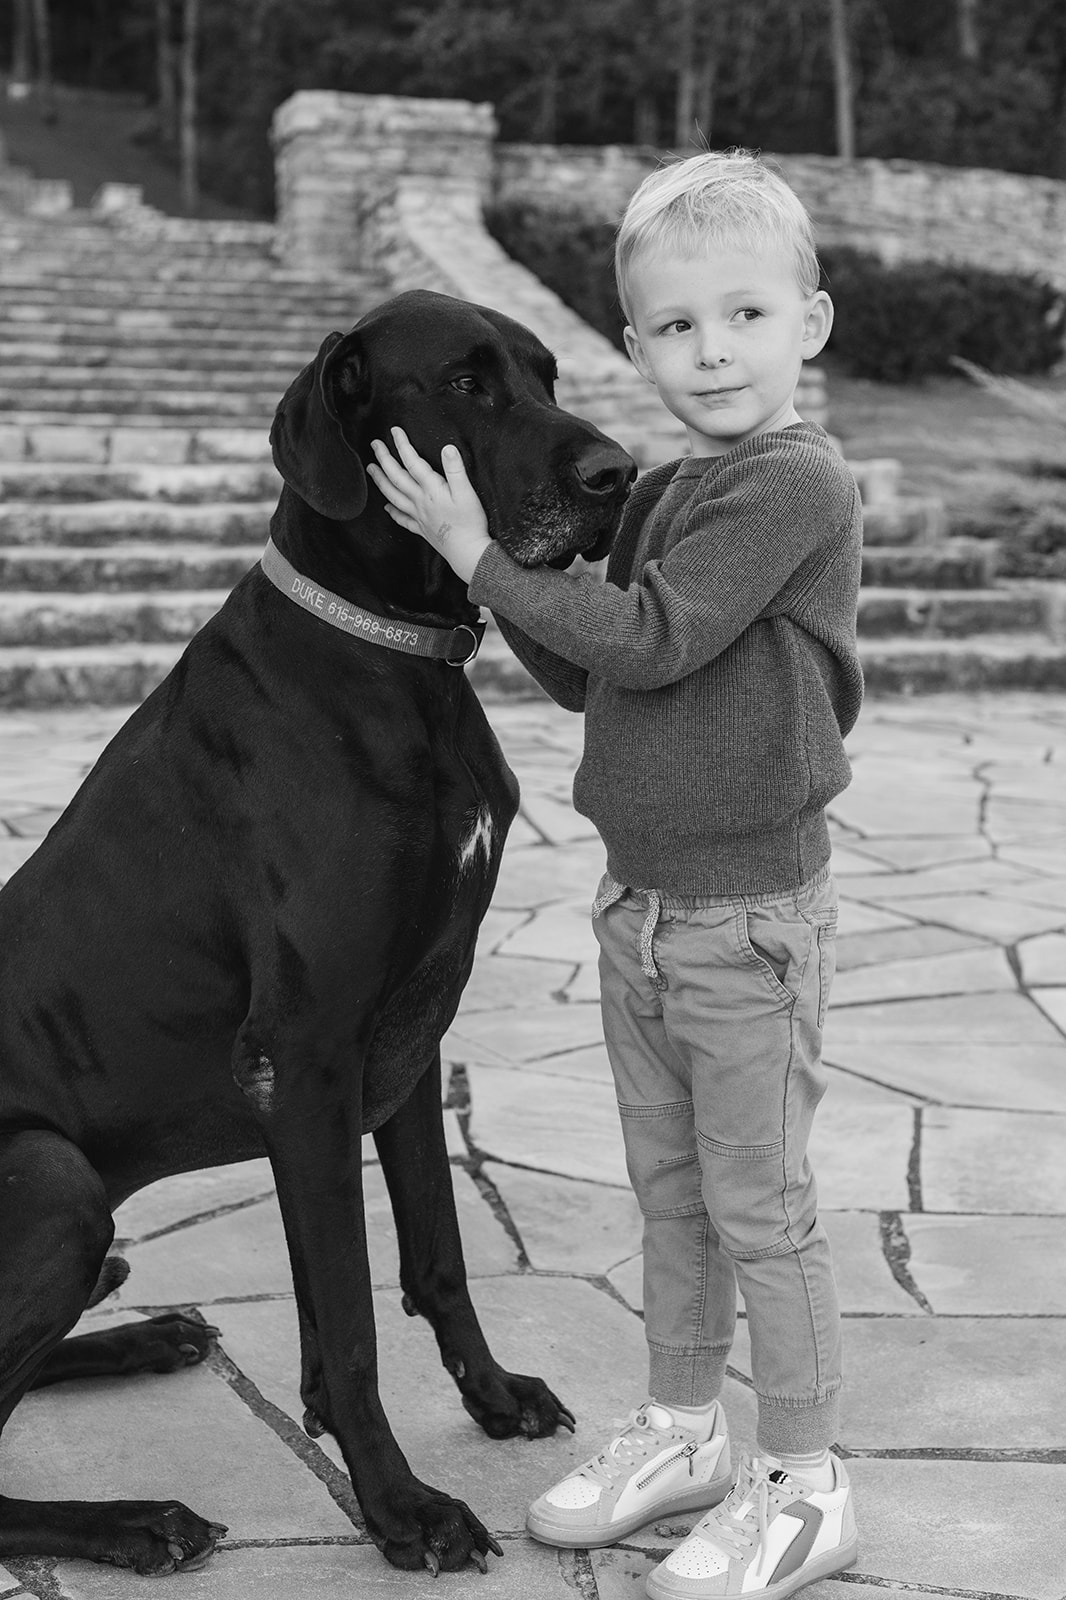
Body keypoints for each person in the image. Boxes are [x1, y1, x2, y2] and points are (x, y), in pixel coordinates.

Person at [367, 147, 864, 1600]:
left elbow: (650, 638)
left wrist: (475, 553)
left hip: (749, 915)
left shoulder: (792, 483)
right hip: (641, 907)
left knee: (759, 1208)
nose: (711, 351)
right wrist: (497, 569)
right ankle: (682, 1431)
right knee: (669, 1197)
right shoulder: (666, 489)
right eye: (675, 327)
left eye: (744, 316)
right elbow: (588, 672)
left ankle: (808, 1481)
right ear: (634, 341)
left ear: (808, 325)